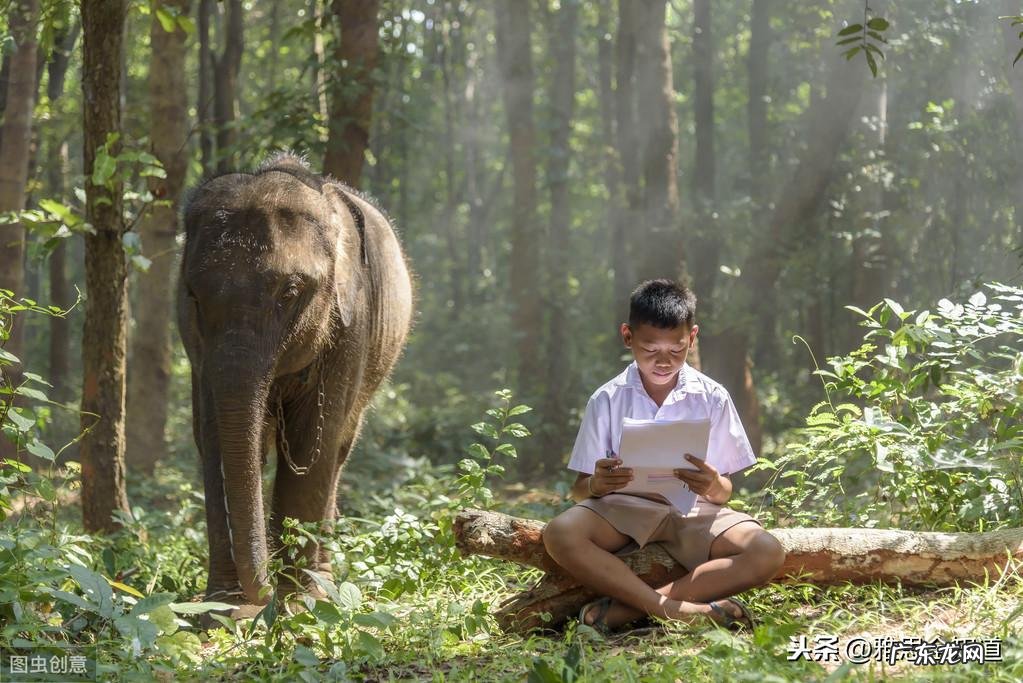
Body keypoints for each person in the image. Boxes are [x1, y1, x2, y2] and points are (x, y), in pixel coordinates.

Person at [542, 279, 786, 634]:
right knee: (560, 533)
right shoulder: (607, 399)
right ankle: (680, 611)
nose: (663, 360)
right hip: (623, 509)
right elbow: (580, 491)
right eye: (650, 348)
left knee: (767, 551)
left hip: (692, 509)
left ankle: (627, 612)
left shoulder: (712, 396)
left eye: (677, 349)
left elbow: (723, 493)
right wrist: (597, 482)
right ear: (627, 337)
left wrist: (713, 483)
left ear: (693, 337)